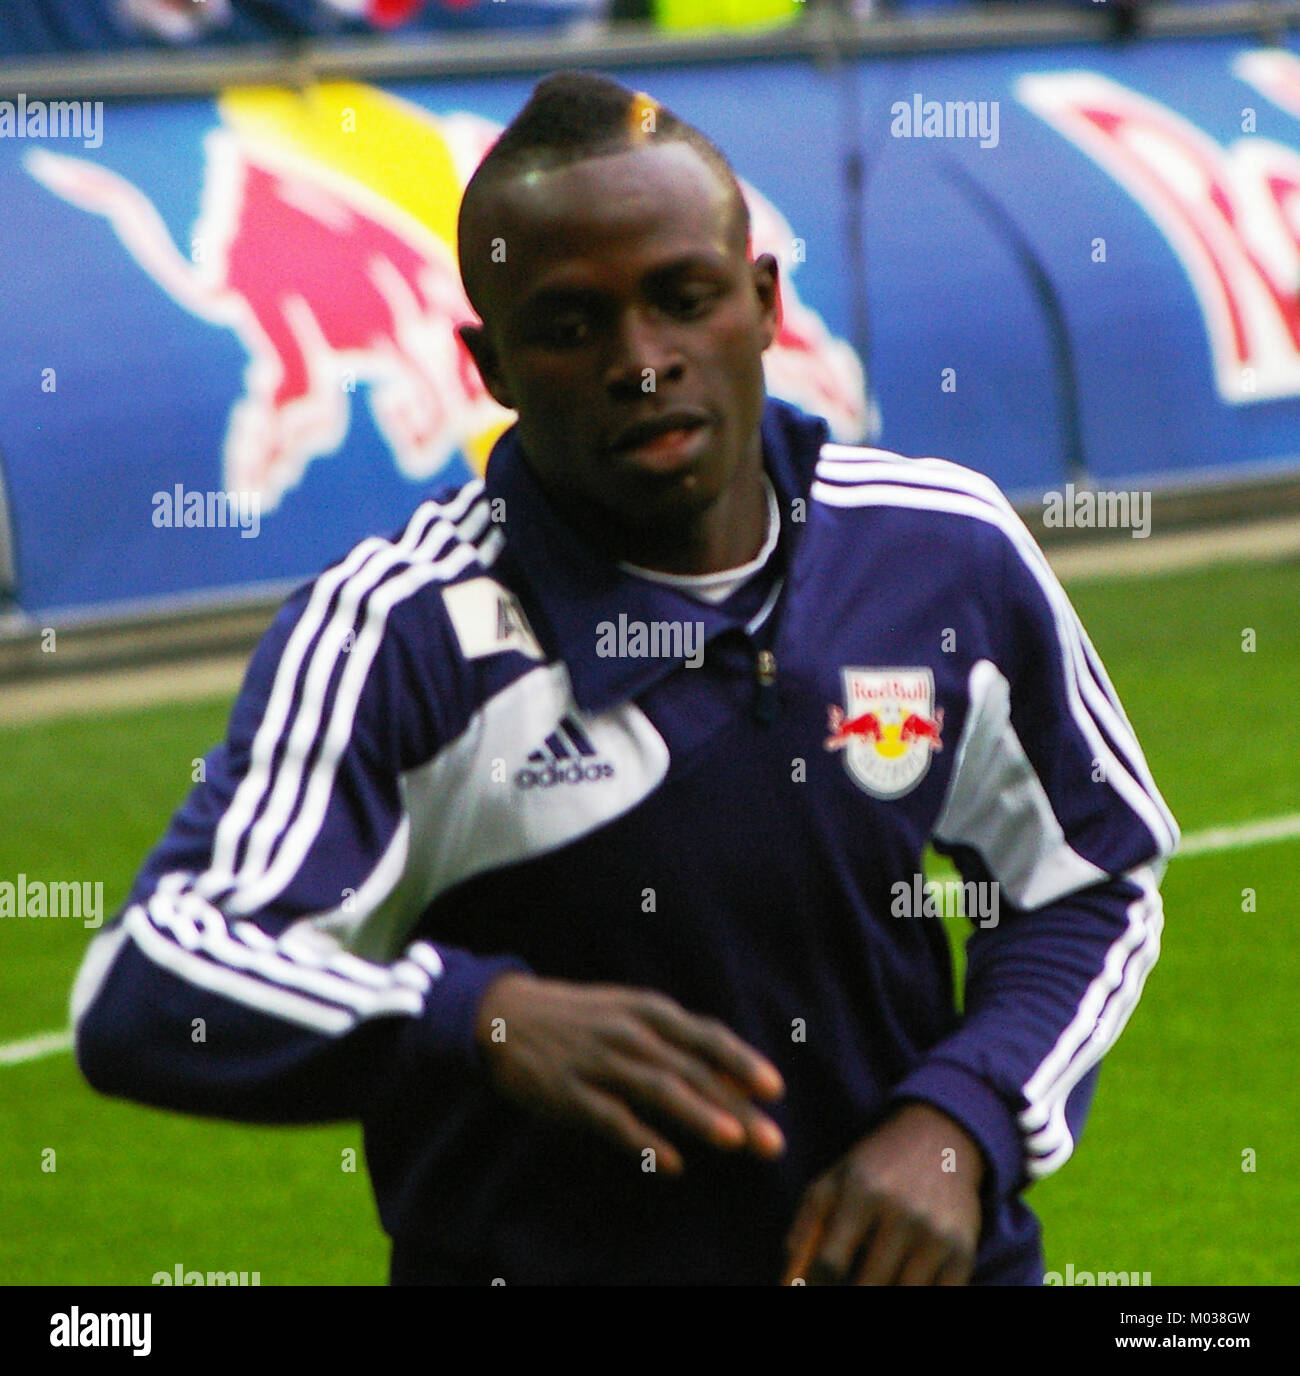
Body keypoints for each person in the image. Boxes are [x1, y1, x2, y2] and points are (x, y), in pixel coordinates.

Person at [70, 70, 1178, 1286]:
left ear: (760, 304)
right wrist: (478, 1019)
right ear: (487, 363)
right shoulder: (402, 634)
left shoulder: (942, 551)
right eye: (570, 325)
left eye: (681, 299)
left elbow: (1087, 880)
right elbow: (149, 980)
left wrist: (963, 1125)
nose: (641, 362)